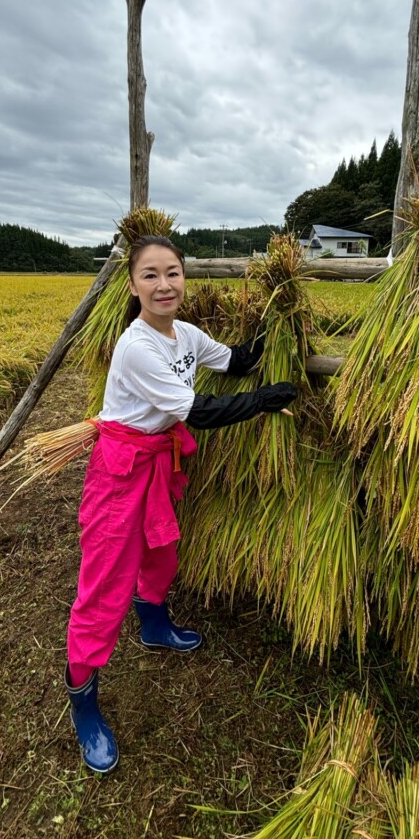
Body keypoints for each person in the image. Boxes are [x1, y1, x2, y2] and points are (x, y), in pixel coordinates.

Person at [64, 235, 298, 772]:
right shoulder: (136, 346)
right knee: (102, 590)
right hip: (120, 472)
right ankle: (85, 711)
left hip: (157, 462)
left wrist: (278, 320)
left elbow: (236, 361)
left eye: (172, 272)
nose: (164, 284)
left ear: (184, 278)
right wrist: (263, 401)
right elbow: (200, 410)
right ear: (132, 285)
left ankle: (154, 625)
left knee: (161, 555)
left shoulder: (186, 334)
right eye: (150, 274)